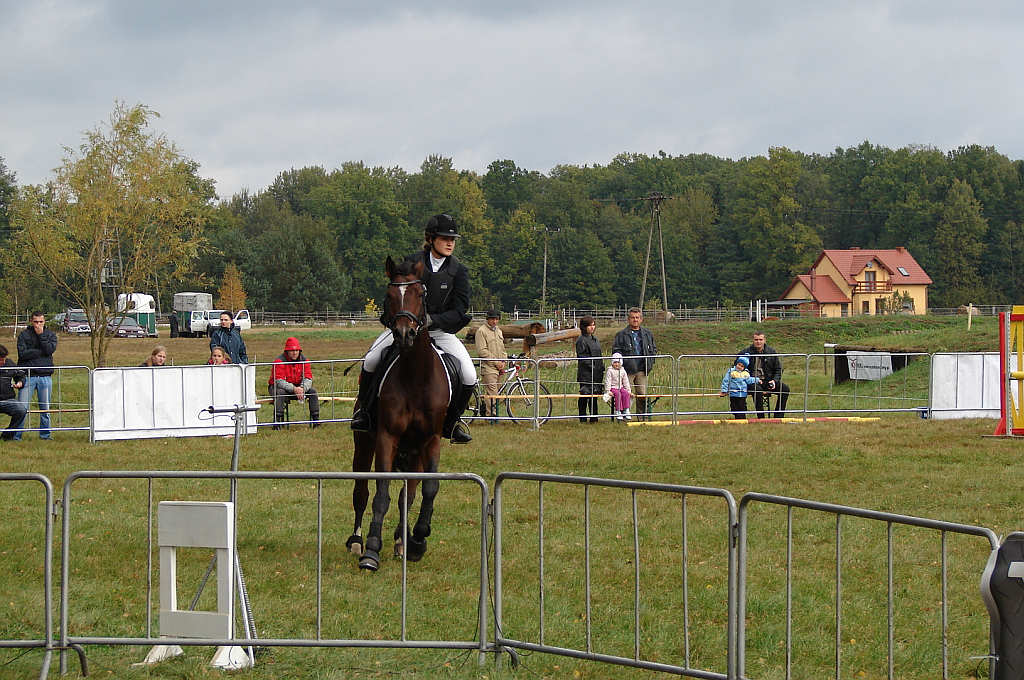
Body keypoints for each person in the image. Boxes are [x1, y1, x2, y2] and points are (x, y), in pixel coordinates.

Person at [350, 214, 477, 443]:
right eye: (444, 238)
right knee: (371, 359)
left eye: (452, 239)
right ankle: (365, 413)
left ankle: (452, 423)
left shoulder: (459, 271)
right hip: (404, 329)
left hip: (440, 332)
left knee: (469, 375)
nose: (450, 243)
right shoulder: (412, 262)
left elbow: (460, 310)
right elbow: (394, 294)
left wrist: (432, 320)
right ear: (431, 239)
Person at [15, 311, 57, 440]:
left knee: (45, 409)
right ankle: (16, 435)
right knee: (22, 409)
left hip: (45, 376)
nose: (38, 324)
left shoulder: (50, 335)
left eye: (41, 322)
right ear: (31, 321)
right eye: (36, 322)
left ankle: (45, 435)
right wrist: (40, 352)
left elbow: (49, 350)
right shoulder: (24, 335)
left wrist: (41, 336)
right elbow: (22, 354)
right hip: (27, 376)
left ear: (44, 322)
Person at [612, 307, 657, 421]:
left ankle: (641, 417)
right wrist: (620, 365)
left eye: (637, 317)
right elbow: (616, 351)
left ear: (641, 319)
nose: (635, 320)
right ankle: (623, 417)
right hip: (627, 370)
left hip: (642, 369)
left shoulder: (647, 334)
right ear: (628, 319)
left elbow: (653, 349)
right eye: (632, 317)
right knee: (626, 394)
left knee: (642, 394)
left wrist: (651, 361)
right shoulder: (621, 335)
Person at [268, 336, 320, 430]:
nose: (295, 352)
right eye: (292, 350)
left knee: (313, 392)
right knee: (280, 393)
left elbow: (308, 378)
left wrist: (302, 388)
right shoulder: (279, 361)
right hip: (277, 388)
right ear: (287, 351)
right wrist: (294, 389)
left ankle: (316, 421)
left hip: (299, 387)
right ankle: (277, 422)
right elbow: (279, 381)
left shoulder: (305, 361)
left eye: (296, 350)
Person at [739, 330, 791, 418]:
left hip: (767, 381)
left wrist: (774, 381)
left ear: (764, 340)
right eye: (756, 340)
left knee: (785, 389)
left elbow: (778, 369)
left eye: (760, 339)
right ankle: (761, 418)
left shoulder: (771, 352)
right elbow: (737, 369)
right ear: (753, 340)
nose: (758, 342)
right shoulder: (745, 353)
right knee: (757, 390)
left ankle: (778, 417)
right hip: (751, 381)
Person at [475, 309, 506, 424]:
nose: (494, 321)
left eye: (496, 319)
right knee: (492, 393)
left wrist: (504, 361)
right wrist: (496, 362)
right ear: (487, 319)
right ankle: (491, 418)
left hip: (499, 367)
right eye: (492, 319)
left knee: (497, 393)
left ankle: (493, 415)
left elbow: (503, 349)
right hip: (488, 367)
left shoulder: (499, 331)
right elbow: (482, 351)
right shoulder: (481, 331)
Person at [575, 315, 604, 423]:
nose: (592, 327)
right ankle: (582, 418)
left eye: (593, 325)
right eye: (590, 325)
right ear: (584, 327)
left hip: (597, 372)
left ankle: (594, 417)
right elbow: (582, 357)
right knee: (585, 395)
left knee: (594, 396)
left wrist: (600, 366)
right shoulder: (581, 340)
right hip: (586, 373)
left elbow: (599, 354)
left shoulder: (595, 339)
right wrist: (592, 366)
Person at [0, 345, 28, 441]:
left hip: (8, 400)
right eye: (1, 360)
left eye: (4, 359)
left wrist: (20, 382)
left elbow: (21, 375)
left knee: (21, 410)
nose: (3, 362)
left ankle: (7, 436)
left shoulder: (9, 363)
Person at [719, 354, 759, 419]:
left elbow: (749, 380)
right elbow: (726, 381)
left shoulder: (746, 373)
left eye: (742, 366)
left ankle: (742, 419)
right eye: (739, 364)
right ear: (736, 364)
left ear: (744, 368)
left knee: (742, 407)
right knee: (734, 407)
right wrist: (724, 390)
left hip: (742, 394)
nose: (739, 367)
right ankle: (737, 417)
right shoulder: (731, 371)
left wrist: (757, 380)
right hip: (733, 393)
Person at [603, 352, 632, 421]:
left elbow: (626, 381)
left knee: (625, 393)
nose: (616, 364)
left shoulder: (623, 370)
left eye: (618, 362)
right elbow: (607, 381)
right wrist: (608, 390)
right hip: (613, 387)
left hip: (620, 387)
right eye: (615, 362)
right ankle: (618, 411)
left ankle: (626, 410)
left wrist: (628, 390)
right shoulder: (610, 370)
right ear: (612, 363)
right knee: (618, 394)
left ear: (621, 363)